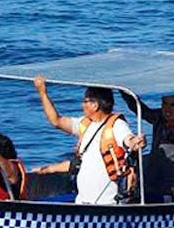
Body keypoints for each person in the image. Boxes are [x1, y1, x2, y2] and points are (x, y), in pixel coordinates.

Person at [33, 75, 145, 205]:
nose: (82, 105)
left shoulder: (117, 125)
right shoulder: (84, 124)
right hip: (82, 202)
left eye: (85, 101)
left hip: (107, 204)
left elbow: (128, 139)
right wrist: (42, 92)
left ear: (95, 105)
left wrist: (135, 142)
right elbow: (56, 121)